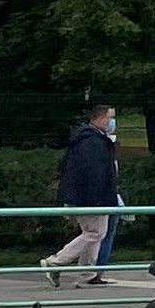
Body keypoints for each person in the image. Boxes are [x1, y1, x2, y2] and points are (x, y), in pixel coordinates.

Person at [44, 104, 123, 286]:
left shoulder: (91, 140)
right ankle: (56, 262)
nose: (112, 122)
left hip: (93, 196)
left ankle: (87, 273)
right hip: (93, 197)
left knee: (96, 233)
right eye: (111, 117)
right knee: (94, 233)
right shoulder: (92, 142)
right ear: (101, 118)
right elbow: (96, 173)